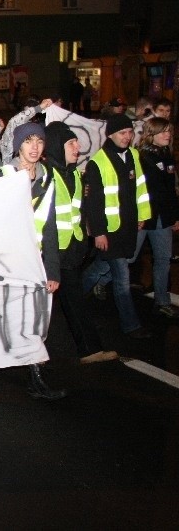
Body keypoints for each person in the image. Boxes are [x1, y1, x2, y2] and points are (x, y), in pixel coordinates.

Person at [0, 123, 67, 399]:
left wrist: (53, 270)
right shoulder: (2, 175)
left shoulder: (49, 178)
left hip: (35, 262)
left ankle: (36, 378)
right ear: (18, 146)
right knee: (7, 315)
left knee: (35, 320)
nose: (34, 147)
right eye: (28, 141)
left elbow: (50, 226)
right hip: (9, 262)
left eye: (39, 141)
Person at [42, 121, 119, 364]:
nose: (78, 147)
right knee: (36, 308)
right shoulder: (44, 177)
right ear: (57, 146)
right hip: (47, 254)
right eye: (71, 143)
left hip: (70, 252)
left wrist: (81, 244)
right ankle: (25, 354)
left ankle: (89, 349)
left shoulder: (74, 173)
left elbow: (77, 213)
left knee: (75, 302)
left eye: (76, 142)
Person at [82, 114, 152, 339]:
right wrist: (99, 233)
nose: (127, 136)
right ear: (110, 134)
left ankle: (74, 295)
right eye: (123, 133)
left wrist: (143, 215)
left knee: (101, 268)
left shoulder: (134, 155)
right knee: (122, 278)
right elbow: (94, 204)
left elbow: (140, 188)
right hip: (110, 231)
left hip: (129, 227)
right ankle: (131, 325)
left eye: (130, 132)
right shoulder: (97, 163)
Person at [131, 117, 179, 318]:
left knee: (163, 259)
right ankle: (97, 278)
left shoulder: (167, 155)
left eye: (168, 131)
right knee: (128, 256)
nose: (167, 135)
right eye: (162, 131)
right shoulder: (141, 157)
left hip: (162, 218)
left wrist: (174, 216)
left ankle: (162, 301)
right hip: (144, 217)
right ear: (151, 135)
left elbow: (170, 190)